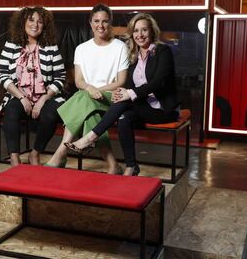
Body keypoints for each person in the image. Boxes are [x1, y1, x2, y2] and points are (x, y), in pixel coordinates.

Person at [65, 13, 180, 176]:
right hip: (142, 107)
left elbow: (158, 83)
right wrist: (121, 91)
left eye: (144, 30)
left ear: (152, 31)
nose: (139, 35)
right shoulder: (134, 55)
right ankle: (131, 166)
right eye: (136, 31)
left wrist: (129, 93)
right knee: (124, 119)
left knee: (124, 101)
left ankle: (90, 138)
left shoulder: (162, 51)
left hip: (161, 110)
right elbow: (129, 84)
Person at [45, 3, 129, 174]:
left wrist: (96, 90)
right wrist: (90, 89)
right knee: (91, 115)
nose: (101, 25)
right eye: (96, 21)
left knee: (83, 97)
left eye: (105, 21)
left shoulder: (120, 47)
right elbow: (79, 81)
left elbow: (121, 81)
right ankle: (114, 165)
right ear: (90, 23)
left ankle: (61, 152)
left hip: (111, 98)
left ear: (110, 23)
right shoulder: (82, 49)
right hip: (88, 98)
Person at [0, 6, 66, 166]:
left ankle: (35, 154)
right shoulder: (11, 45)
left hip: (46, 96)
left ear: (45, 26)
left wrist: (44, 99)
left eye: (40, 21)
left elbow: (60, 78)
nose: (35, 24)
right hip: (19, 95)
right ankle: (14, 157)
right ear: (23, 22)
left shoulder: (51, 47)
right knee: (11, 110)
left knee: (50, 115)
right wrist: (21, 97)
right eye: (31, 20)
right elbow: (2, 74)